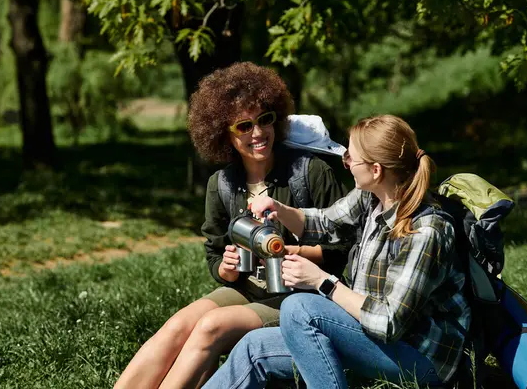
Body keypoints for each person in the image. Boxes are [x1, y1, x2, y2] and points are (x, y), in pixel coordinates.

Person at [114, 62, 351, 389]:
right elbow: (214, 255)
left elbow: (345, 249)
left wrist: (292, 252)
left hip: (303, 296)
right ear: (223, 133)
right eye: (243, 126)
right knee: (177, 326)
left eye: (264, 120)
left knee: (212, 326)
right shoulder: (222, 184)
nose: (257, 133)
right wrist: (226, 269)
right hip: (247, 287)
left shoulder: (310, 174)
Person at [202, 115, 472, 389]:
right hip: (369, 335)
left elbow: (388, 323)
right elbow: (324, 222)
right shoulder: (372, 197)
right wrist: (278, 209)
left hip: (419, 357)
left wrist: (321, 281)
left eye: (350, 159)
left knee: (299, 307)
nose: (346, 165)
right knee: (254, 346)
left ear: (376, 170)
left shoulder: (425, 231)